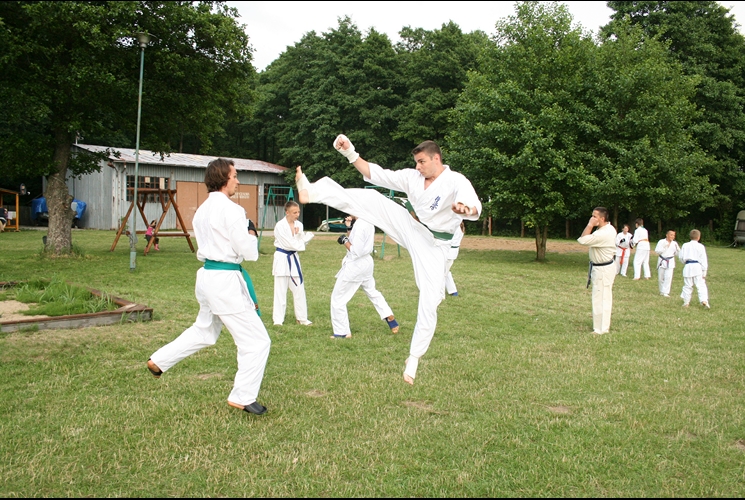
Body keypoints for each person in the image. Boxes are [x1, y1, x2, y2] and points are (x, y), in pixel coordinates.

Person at [294, 135, 481, 385]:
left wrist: (466, 209)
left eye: (422, 162)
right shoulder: (413, 177)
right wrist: (350, 152)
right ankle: (313, 192)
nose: (417, 167)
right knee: (372, 199)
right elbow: (376, 174)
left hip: (435, 245)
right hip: (411, 226)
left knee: (430, 298)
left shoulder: (456, 180)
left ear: (436, 158)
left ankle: (414, 358)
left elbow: (473, 205)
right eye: (416, 162)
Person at [146, 158, 271, 416]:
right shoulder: (233, 210)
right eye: (234, 176)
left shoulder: (202, 210)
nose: (237, 181)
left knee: (205, 330)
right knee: (256, 341)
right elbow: (248, 252)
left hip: (207, 276)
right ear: (224, 179)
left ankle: (159, 361)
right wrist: (252, 235)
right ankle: (243, 396)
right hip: (225, 281)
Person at [330, 215, 399, 339]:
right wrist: (349, 228)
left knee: (338, 299)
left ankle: (342, 332)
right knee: (372, 291)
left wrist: (344, 241)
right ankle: (388, 315)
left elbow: (356, 250)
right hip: (366, 263)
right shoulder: (367, 221)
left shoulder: (361, 225)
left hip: (356, 265)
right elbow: (355, 241)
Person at [272, 200, 314, 326]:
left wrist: (302, 237)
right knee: (280, 290)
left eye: (298, 212)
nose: (297, 215)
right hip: (282, 257)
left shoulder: (299, 225)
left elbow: (298, 241)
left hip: (293, 258)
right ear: (287, 212)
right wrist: (306, 238)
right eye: (294, 212)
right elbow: (290, 244)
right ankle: (278, 320)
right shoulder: (280, 226)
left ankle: (302, 318)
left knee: (299, 288)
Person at [577, 207, 617, 335]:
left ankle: (602, 329)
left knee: (602, 297)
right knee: (598, 297)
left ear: (602, 218)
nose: (592, 218)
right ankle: (598, 326)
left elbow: (583, 240)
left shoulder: (605, 233)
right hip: (598, 267)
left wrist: (590, 225)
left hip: (603, 269)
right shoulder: (603, 230)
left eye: (594, 216)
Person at [678, 229, 710, 308]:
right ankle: (704, 300)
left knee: (687, 285)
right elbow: (703, 259)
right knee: (701, 284)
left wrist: (684, 262)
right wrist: (704, 271)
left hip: (688, 266)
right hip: (697, 266)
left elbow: (681, 257)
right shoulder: (700, 246)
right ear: (699, 237)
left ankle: (686, 302)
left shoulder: (685, 245)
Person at [654, 230, 680, 297]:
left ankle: (666, 292)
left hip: (670, 261)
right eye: (671, 235)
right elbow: (657, 251)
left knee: (668, 277)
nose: (672, 236)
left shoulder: (674, 243)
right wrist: (664, 247)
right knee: (661, 278)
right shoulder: (661, 242)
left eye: (673, 235)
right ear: (667, 235)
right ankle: (661, 291)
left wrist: (678, 251)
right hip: (662, 260)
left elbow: (677, 253)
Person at [445, 222, 465, 297]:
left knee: (443, 273)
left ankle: (441, 292)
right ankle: (452, 291)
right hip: (452, 252)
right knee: (445, 271)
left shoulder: (455, 228)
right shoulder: (460, 228)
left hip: (449, 252)